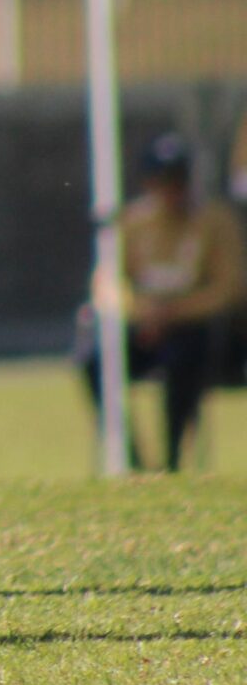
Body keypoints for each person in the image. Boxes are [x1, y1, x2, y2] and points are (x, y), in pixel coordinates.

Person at [77, 132, 245, 472]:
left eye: (177, 181)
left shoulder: (214, 222)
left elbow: (230, 287)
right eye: (162, 181)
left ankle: (172, 461)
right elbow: (107, 284)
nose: (170, 191)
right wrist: (141, 312)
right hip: (145, 329)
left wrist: (174, 313)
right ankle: (133, 461)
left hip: (198, 333)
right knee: (94, 360)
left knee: (185, 358)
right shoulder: (135, 222)